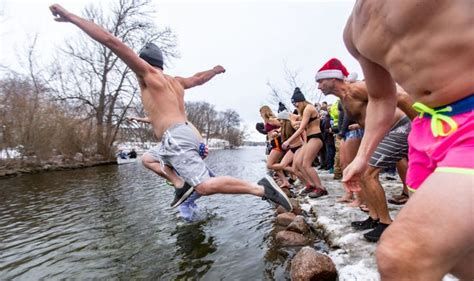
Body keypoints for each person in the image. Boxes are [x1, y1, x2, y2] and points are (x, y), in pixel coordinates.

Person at [49, 4, 292, 213]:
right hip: (178, 136)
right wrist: (214, 71)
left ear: (144, 63)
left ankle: (261, 188)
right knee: (148, 158)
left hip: (177, 138)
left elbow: (111, 41)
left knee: (205, 186)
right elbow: (197, 79)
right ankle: (179, 184)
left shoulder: (147, 73)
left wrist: (71, 17)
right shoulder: (174, 82)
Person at [344, 1, 473, 279]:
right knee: (459, 255)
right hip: (425, 133)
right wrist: (361, 157)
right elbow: (381, 96)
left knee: (402, 254)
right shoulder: (354, 30)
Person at [316, 58, 415, 242]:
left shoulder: (357, 88)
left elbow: (400, 95)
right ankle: (375, 217)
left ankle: (386, 225)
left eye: (321, 81)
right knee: (362, 172)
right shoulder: (343, 100)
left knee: (368, 173)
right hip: (383, 132)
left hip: (400, 127)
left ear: (334, 78)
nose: (319, 87)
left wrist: (422, 125)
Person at [283, 87, 327, 198]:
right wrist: (293, 119)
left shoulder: (308, 108)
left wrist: (288, 141)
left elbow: (302, 128)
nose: (295, 106)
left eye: (296, 103)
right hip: (309, 139)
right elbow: (300, 123)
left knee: (306, 164)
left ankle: (320, 188)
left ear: (301, 100)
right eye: (294, 104)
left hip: (316, 138)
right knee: (297, 165)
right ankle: (311, 185)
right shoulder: (303, 111)